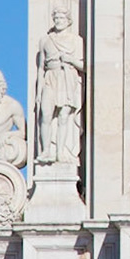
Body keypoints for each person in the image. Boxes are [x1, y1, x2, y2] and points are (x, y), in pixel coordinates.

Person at [35, 9, 85, 165]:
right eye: (56, 17)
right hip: (51, 77)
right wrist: (38, 92)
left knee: (64, 116)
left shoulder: (76, 40)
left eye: (62, 18)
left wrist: (70, 59)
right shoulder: (45, 40)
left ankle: (60, 152)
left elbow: (84, 66)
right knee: (46, 114)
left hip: (67, 78)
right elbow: (41, 68)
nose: (58, 20)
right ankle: (45, 150)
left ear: (68, 20)